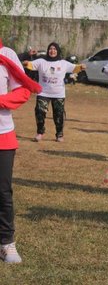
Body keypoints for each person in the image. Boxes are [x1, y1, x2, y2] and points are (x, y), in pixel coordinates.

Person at [0, 38, 42, 263]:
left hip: (2, 134)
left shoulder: (7, 54)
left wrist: (0, 100)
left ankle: (6, 242)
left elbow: (23, 91)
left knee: (3, 192)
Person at [24, 42, 85, 142]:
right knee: (39, 112)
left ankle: (59, 134)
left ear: (58, 51)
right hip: (43, 92)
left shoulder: (63, 63)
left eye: (54, 49)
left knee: (59, 114)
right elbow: (30, 65)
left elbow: (75, 68)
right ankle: (40, 132)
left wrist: (81, 67)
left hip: (58, 94)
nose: (52, 51)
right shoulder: (41, 61)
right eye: (50, 49)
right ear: (48, 50)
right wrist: (26, 63)